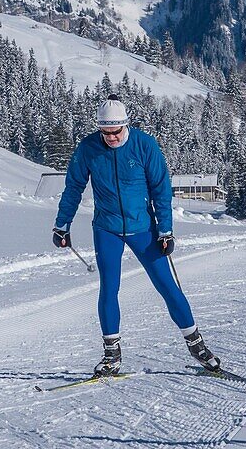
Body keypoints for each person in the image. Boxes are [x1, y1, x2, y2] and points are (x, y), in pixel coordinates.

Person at [53, 94, 222, 377]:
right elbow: (73, 188)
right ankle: (111, 355)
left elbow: (161, 190)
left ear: (125, 125)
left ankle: (198, 347)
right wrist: (62, 224)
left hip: (144, 229)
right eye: (105, 132)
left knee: (167, 286)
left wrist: (166, 230)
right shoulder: (88, 148)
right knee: (109, 288)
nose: (111, 138)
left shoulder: (145, 145)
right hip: (107, 228)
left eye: (116, 131)